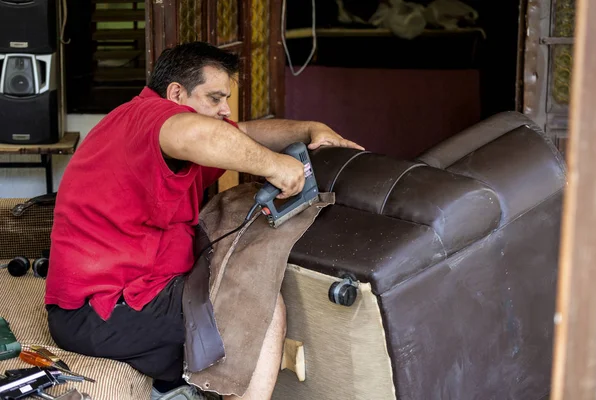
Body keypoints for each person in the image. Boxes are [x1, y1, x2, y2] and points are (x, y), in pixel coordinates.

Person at [44, 41, 364, 400]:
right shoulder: (150, 117)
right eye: (214, 98)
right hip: (101, 309)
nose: (224, 109)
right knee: (258, 308)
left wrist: (309, 129)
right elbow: (203, 134)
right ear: (176, 93)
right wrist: (277, 166)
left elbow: (239, 133)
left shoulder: (156, 129)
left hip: (136, 293)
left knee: (240, 286)